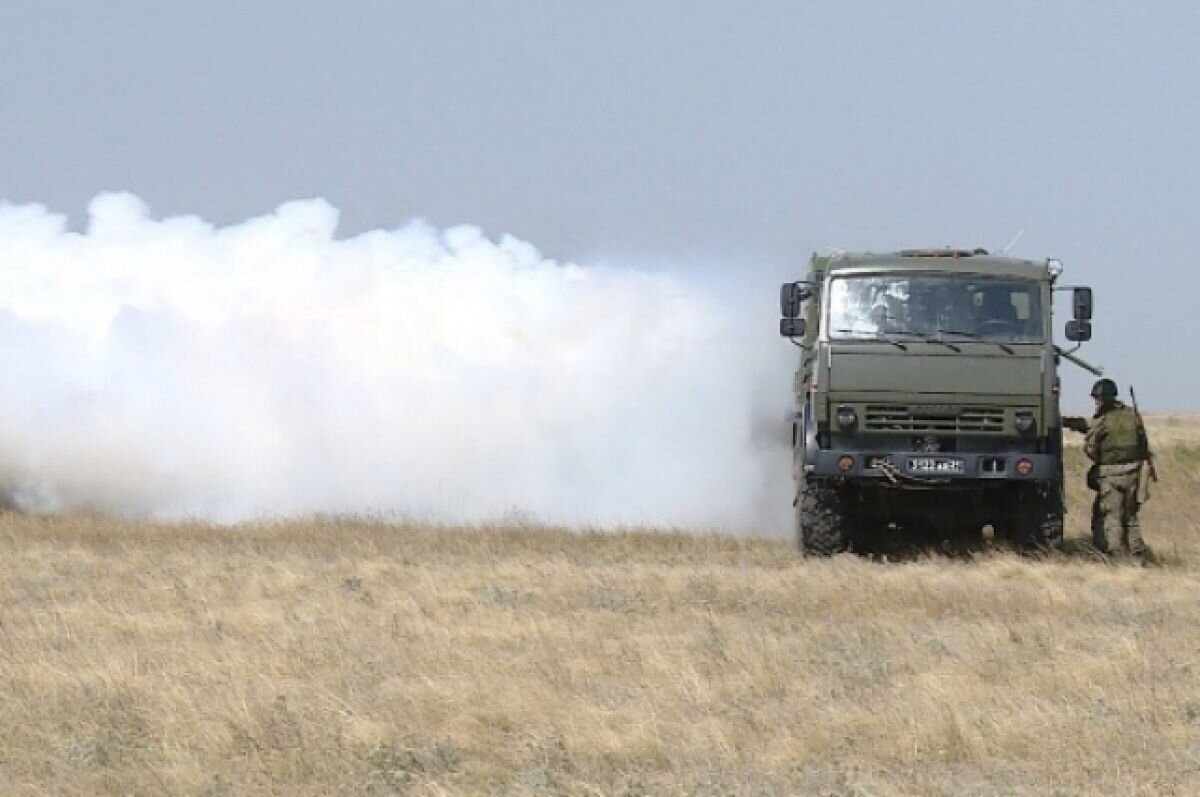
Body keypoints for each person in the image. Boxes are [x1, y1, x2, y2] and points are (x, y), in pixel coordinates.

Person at [1064, 378, 1149, 561]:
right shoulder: (1131, 415)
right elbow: (1143, 444)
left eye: (1098, 398)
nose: (1096, 402)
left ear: (1104, 398)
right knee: (1130, 515)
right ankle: (1138, 555)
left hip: (1111, 474)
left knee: (1112, 516)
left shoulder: (1104, 419)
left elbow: (1091, 446)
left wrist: (1099, 461)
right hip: (1134, 472)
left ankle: (1116, 557)